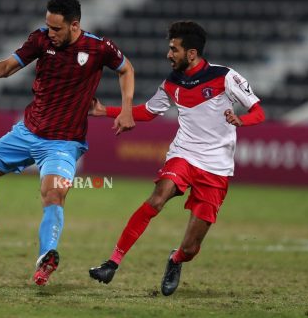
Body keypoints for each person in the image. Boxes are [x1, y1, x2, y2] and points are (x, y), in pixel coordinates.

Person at [0, 0, 135, 286]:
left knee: (53, 194)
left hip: (64, 143)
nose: (51, 33)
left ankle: (46, 258)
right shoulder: (40, 40)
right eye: (48, 26)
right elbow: (7, 67)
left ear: (75, 26)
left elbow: (126, 69)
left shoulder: (98, 48)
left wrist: (125, 109)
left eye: (56, 29)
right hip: (27, 131)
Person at [88, 21, 265, 296]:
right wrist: (105, 111)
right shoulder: (172, 83)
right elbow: (148, 111)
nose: (168, 54)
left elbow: (258, 111)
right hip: (184, 153)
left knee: (192, 247)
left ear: (191, 53)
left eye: (174, 49)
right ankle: (112, 262)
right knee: (158, 198)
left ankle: (176, 259)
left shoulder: (225, 77)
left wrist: (240, 120)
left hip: (216, 166)